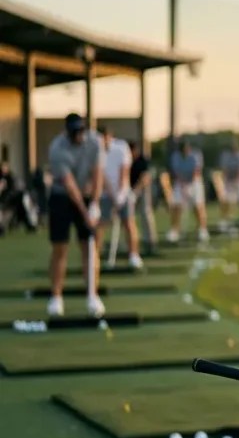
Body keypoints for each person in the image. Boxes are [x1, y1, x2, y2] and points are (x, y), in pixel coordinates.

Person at [45, 113, 105, 317]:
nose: (79, 135)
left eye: (81, 131)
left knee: (89, 246)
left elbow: (97, 172)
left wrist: (95, 204)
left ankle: (92, 295)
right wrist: (85, 212)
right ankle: (56, 297)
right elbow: (69, 185)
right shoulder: (57, 148)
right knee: (60, 247)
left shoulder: (95, 142)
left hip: (87, 195)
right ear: (67, 133)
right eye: (75, 132)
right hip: (62, 197)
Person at [97, 125, 143, 270]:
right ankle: (95, 257)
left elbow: (124, 173)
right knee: (101, 224)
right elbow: (101, 176)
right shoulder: (97, 151)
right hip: (105, 193)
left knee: (128, 223)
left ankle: (134, 255)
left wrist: (120, 196)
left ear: (109, 137)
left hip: (124, 192)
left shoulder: (122, 147)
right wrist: (112, 195)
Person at [167, 139, 209, 243]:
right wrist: (183, 185)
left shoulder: (196, 155)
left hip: (195, 182)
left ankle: (202, 229)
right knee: (176, 206)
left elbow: (196, 171)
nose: (186, 151)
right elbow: (176, 172)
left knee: (198, 206)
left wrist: (188, 185)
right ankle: (175, 230)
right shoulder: (175, 157)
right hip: (180, 183)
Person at [127, 140, 157, 255]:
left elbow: (145, 178)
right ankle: (131, 243)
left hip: (143, 190)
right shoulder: (126, 160)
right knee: (128, 217)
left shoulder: (142, 160)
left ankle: (150, 242)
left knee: (145, 213)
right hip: (130, 190)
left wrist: (135, 192)